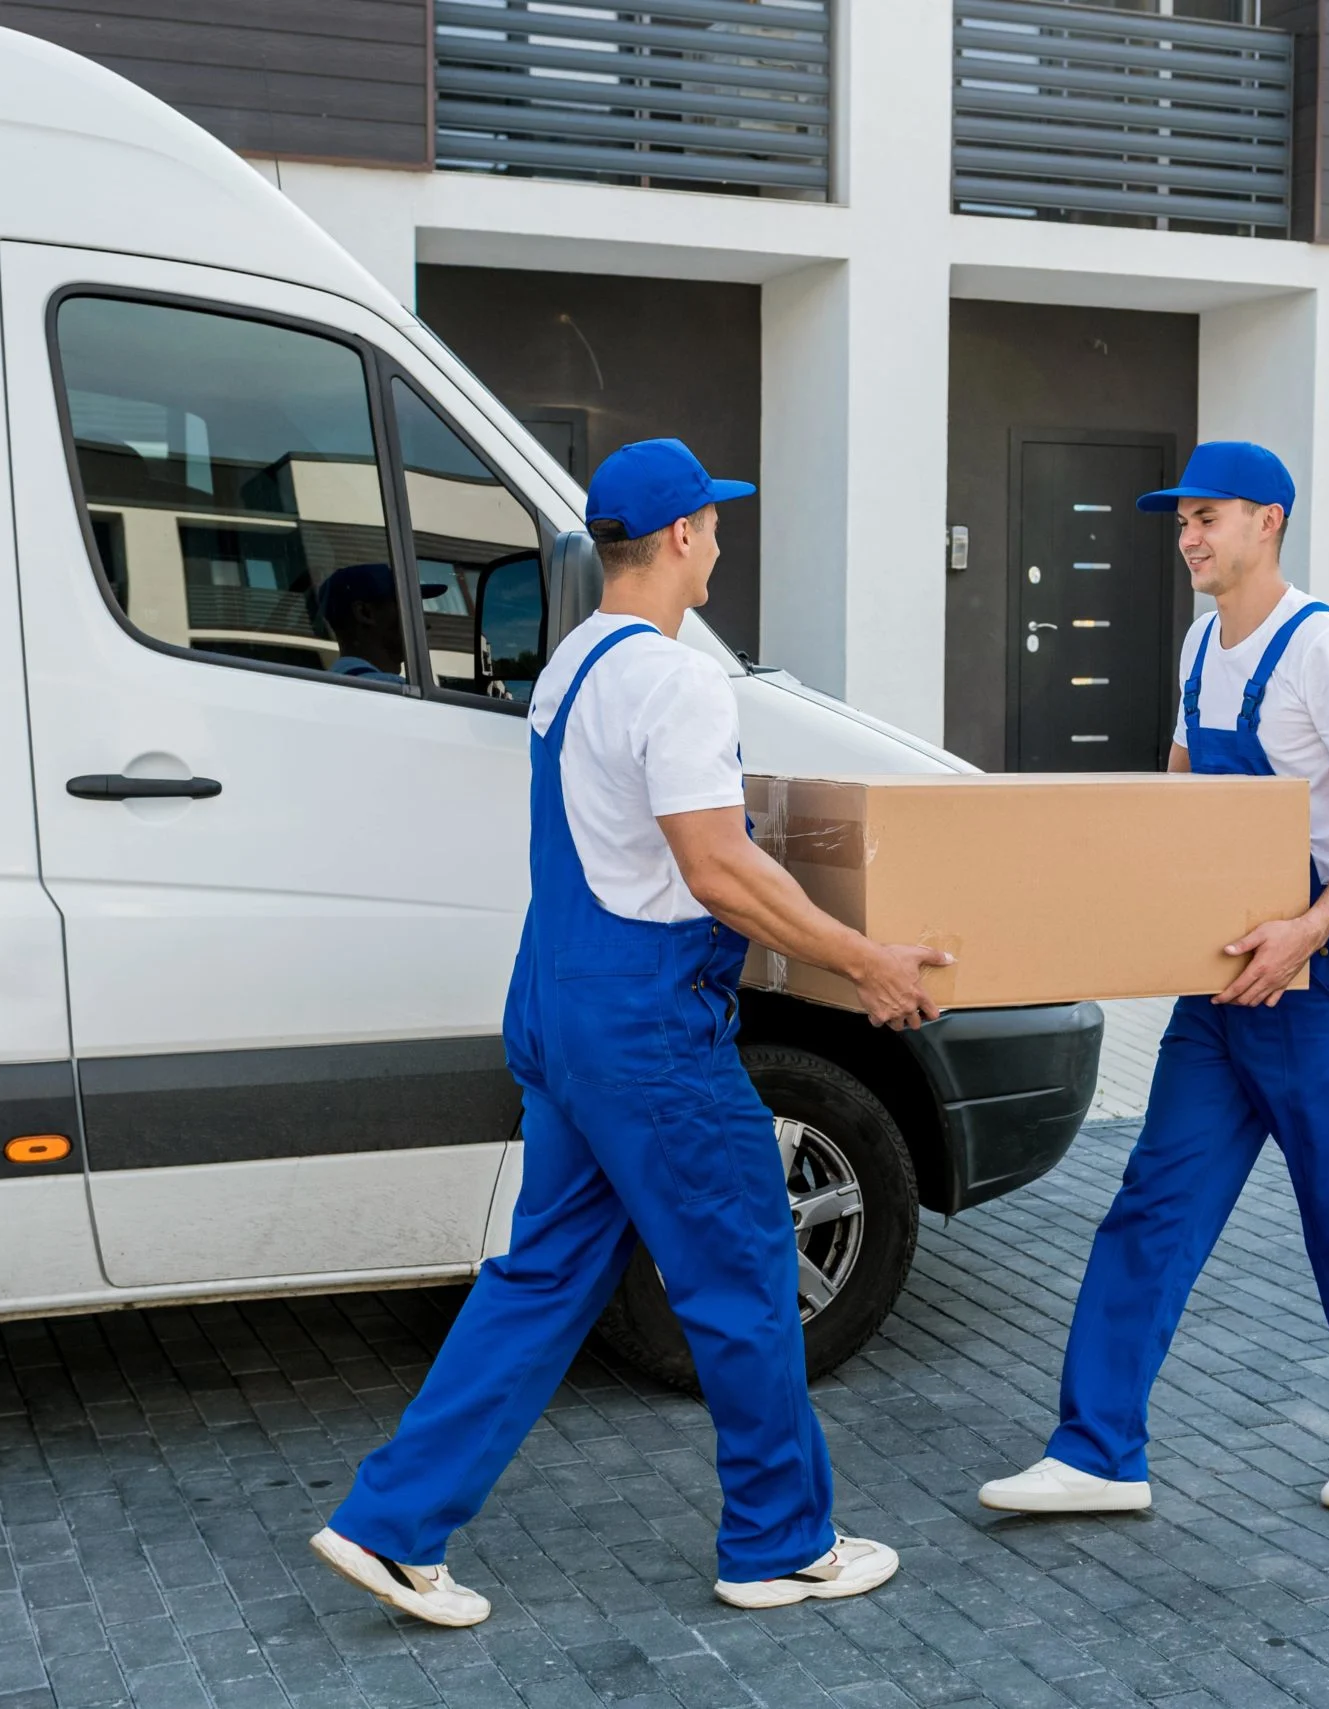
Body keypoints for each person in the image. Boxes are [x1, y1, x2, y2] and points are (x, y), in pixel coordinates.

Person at [311, 438, 950, 1626]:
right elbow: (715, 868)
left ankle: (389, 1522)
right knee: (747, 1267)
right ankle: (777, 1541)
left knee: (544, 1270)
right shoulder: (676, 679)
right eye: (713, 521)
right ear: (679, 539)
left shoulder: (572, 665)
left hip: (558, 1001)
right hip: (646, 1025)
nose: (720, 539)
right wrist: (864, 961)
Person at [979, 441, 1329, 1519]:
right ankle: (1097, 1449)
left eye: (1207, 516)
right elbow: (1185, 806)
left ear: (1268, 520)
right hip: (1221, 989)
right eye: (1181, 520)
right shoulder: (1201, 647)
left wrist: (1306, 929)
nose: (1187, 537)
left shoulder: (1321, 646)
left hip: (1319, 975)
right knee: (1151, 1203)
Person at [315, 560, 444, 683]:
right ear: (365, 613)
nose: (426, 624)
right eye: (408, 606)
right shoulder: (396, 692)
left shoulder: (326, 687)